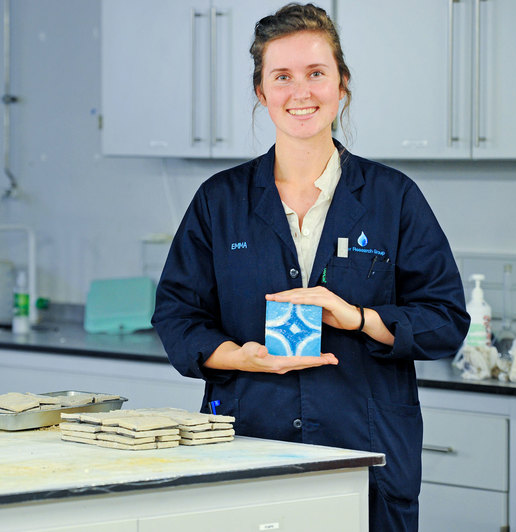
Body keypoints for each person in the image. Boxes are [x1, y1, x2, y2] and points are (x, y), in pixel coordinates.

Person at [152, 3, 469, 530]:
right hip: (249, 443)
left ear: (341, 84)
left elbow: (445, 319)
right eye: (282, 77)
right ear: (262, 92)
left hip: (366, 453)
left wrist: (360, 319)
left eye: (316, 73)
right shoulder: (219, 201)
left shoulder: (394, 198)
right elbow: (176, 315)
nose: (301, 92)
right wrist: (240, 357)